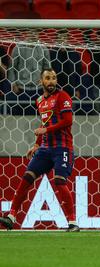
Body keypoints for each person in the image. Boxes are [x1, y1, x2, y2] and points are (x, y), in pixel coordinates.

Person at [0, 68, 79, 232]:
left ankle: (73, 222)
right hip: (45, 149)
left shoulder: (63, 96)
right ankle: (11, 217)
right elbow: (45, 124)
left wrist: (46, 131)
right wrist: (36, 144)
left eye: (54, 78)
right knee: (27, 178)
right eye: (48, 78)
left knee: (59, 181)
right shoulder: (39, 101)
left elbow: (68, 121)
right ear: (41, 81)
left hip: (62, 147)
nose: (51, 81)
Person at [8, 29, 51, 97]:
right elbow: (12, 68)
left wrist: (46, 84)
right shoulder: (18, 48)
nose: (34, 34)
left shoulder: (43, 48)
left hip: (39, 88)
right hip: (21, 88)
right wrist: (13, 84)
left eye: (36, 32)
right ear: (27, 32)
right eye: (32, 31)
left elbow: (47, 69)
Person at [50, 29, 82, 99]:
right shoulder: (51, 53)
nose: (62, 40)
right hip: (55, 88)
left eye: (64, 37)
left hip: (71, 88)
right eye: (60, 37)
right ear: (57, 39)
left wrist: (77, 89)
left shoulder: (74, 54)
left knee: (70, 108)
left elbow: (78, 72)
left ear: (68, 39)